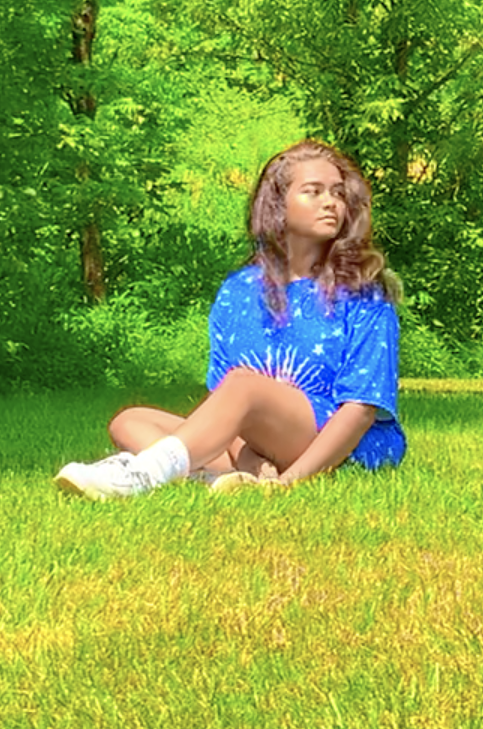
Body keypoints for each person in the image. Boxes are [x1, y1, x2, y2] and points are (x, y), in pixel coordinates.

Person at [56, 140, 406, 499]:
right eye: (313, 192)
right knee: (131, 422)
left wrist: (288, 485)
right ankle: (217, 481)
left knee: (245, 385)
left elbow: (360, 410)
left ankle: (144, 475)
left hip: (342, 445)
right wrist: (251, 457)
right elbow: (227, 406)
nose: (331, 202)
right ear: (278, 206)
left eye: (337, 192)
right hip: (259, 443)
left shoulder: (364, 291)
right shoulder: (237, 291)